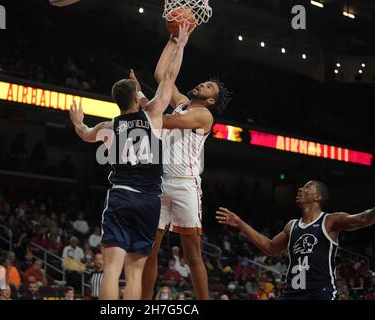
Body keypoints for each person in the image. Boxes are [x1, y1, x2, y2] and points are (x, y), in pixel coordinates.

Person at [69, 24, 191, 300]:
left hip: (122, 196)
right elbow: (170, 76)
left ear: (116, 102)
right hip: (150, 201)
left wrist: (78, 122)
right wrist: (180, 45)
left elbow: (86, 135)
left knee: (112, 269)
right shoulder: (154, 115)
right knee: (135, 272)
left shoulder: (109, 125)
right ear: (137, 98)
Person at [136, 33, 231, 301]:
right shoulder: (182, 103)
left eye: (208, 87)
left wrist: (142, 98)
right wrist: (174, 39)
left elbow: (164, 122)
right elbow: (161, 74)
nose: (202, 84)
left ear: (211, 100)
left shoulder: (204, 115)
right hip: (160, 182)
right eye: (205, 82)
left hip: (184, 185)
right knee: (150, 249)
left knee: (192, 254)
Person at [216, 180, 375, 300]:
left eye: (307, 187)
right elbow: (269, 247)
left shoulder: (331, 220)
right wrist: (239, 223)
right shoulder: (292, 226)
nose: (300, 189)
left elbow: (363, 219)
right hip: (292, 293)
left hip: (320, 292)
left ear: (317, 197)